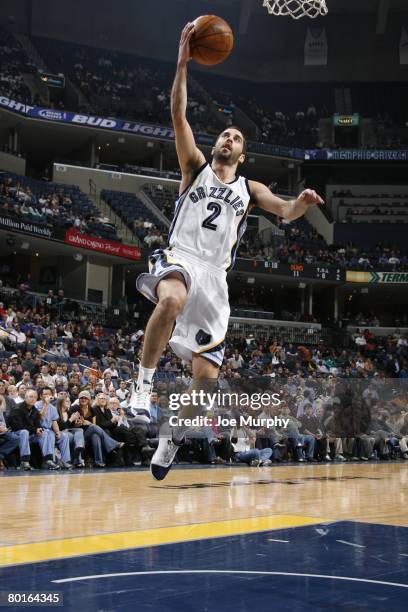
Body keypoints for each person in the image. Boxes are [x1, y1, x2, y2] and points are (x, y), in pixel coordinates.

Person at [133, 22, 324, 481]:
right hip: (181, 257)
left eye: (236, 137)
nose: (227, 139)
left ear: (242, 154)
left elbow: (282, 210)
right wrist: (181, 63)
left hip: (216, 281)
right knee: (171, 299)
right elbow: (179, 115)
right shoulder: (194, 166)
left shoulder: (249, 188)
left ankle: (173, 435)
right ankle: (140, 388)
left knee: (204, 387)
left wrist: (300, 205)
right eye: (224, 134)